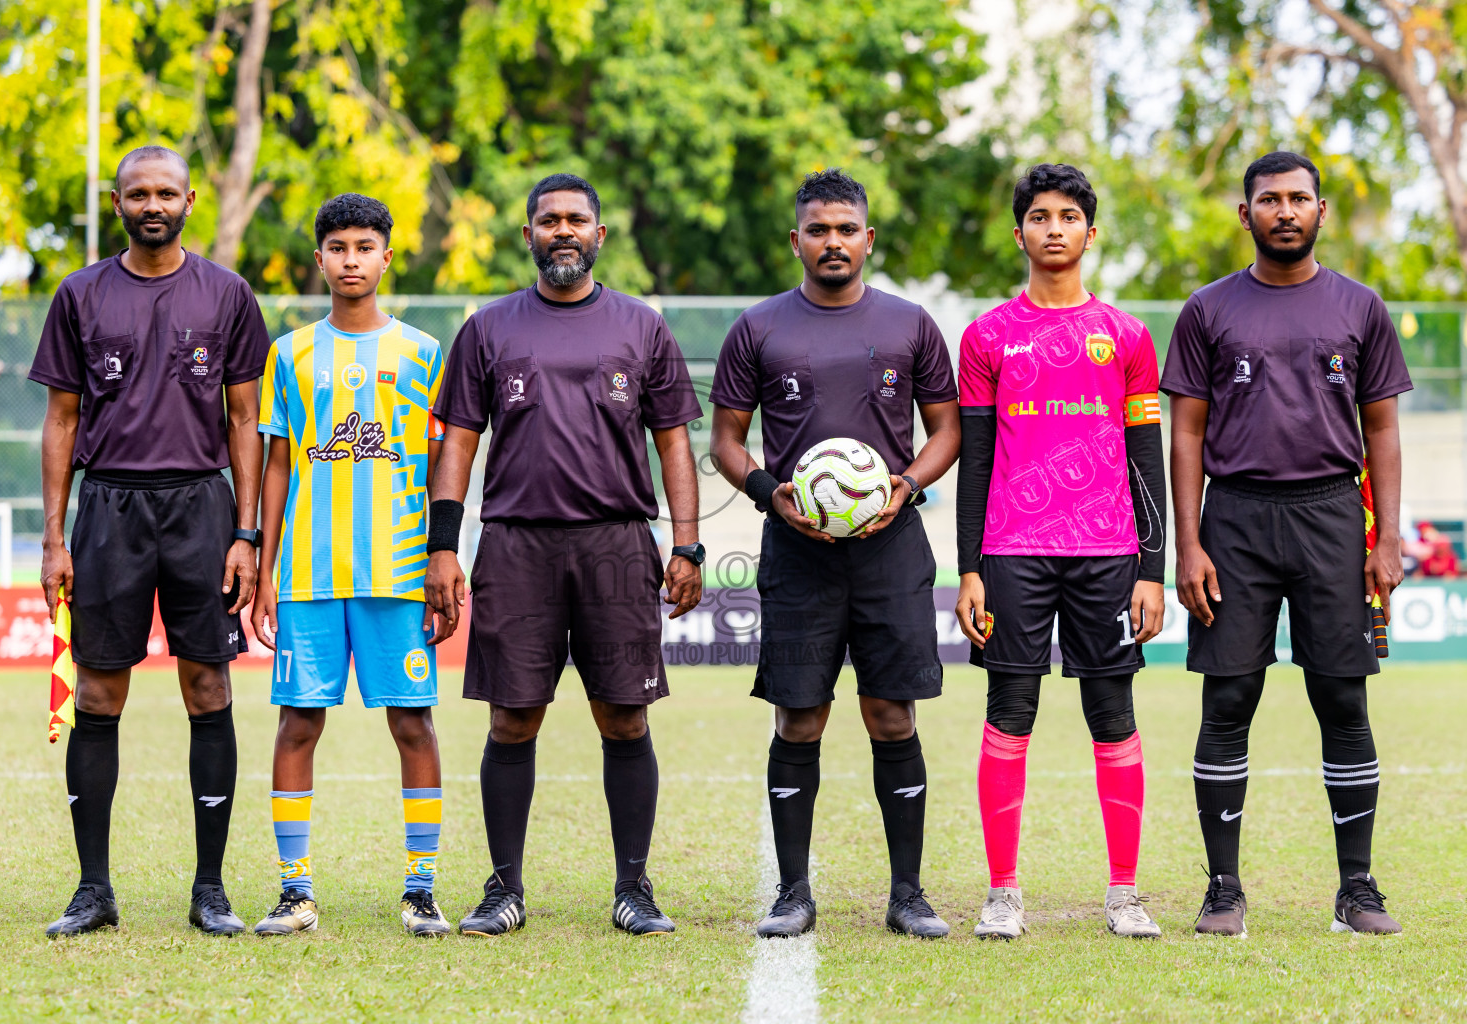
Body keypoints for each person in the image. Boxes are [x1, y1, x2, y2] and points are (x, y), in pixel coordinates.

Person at [424, 173, 704, 937]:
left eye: (577, 218)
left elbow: (673, 440)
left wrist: (687, 544)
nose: (563, 230)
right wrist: (442, 547)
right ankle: (503, 889)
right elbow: (456, 441)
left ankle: (634, 889)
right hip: (516, 545)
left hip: (617, 541)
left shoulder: (642, 327)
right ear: (528, 235)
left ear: (600, 234)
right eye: (548, 220)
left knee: (624, 715)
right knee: (513, 719)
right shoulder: (488, 329)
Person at [1163, 151, 1411, 937]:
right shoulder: (1208, 309)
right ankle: (1224, 889)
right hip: (1234, 519)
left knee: (1342, 697)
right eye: (1268, 199)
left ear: (1321, 210)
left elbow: (1382, 432)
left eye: (1298, 198)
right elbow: (1187, 433)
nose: (1285, 211)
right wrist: (1189, 544)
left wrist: (1388, 535)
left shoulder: (1360, 306)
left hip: (1334, 516)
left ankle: (1358, 890)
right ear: (1246, 215)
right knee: (1228, 698)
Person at [709, 168, 960, 939]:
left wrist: (905, 487)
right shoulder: (757, 328)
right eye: (818, 230)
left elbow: (947, 430)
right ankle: (792, 893)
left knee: (892, 714)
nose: (833, 242)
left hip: (892, 550)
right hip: (797, 549)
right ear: (796, 241)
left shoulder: (911, 324)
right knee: (800, 718)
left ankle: (908, 894)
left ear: (868, 238)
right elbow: (725, 440)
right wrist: (768, 490)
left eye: (846, 229)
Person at [30, 146, 270, 937]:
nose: (153, 203)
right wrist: (53, 538)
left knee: (208, 689)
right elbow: (62, 420)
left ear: (191, 199)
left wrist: (245, 532)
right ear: (118, 200)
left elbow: (244, 419)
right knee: (100, 694)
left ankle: (210, 891)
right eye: (139, 193)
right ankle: (93, 891)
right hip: (108, 507)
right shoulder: (79, 294)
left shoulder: (228, 294)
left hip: (202, 506)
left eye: (167, 191)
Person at [954, 164, 1168, 941]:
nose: (1054, 228)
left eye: (1069, 215)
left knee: (1112, 713)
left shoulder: (1130, 336)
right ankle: (1004, 893)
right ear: (1020, 234)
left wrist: (1153, 568)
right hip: (1013, 552)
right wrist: (970, 567)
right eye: (1039, 216)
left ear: (1090, 231)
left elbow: (1147, 460)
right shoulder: (986, 336)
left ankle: (1124, 893)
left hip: (1109, 554)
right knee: (1010, 711)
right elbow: (975, 459)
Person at [247, 194, 449, 937]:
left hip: (396, 574)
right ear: (320, 260)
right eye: (339, 247)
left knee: (413, 723)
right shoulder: (290, 354)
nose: (352, 259)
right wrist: (267, 569)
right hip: (307, 573)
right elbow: (275, 466)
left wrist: (439, 558)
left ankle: (420, 888)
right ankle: (294, 891)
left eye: (366, 246)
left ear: (387, 258)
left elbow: (439, 467)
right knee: (298, 722)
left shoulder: (425, 352)